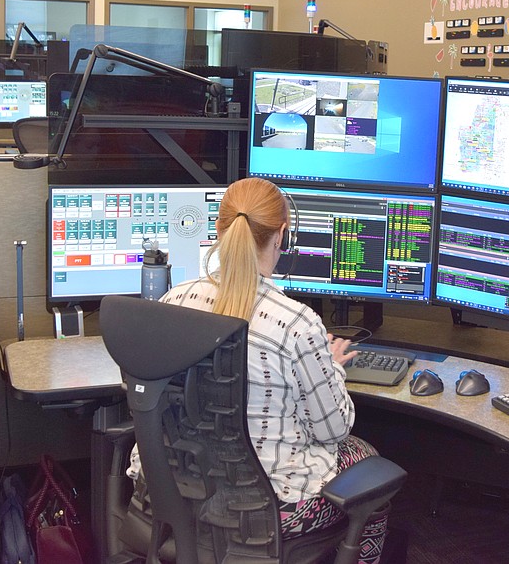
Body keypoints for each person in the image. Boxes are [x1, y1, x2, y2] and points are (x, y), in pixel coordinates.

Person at [134, 177, 390, 563]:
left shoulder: (174, 301)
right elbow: (333, 429)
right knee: (367, 466)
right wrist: (332, 369)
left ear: (218, 230)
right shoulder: (296, 323)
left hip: (174, 495)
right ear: (282, 236)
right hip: (268, 515)